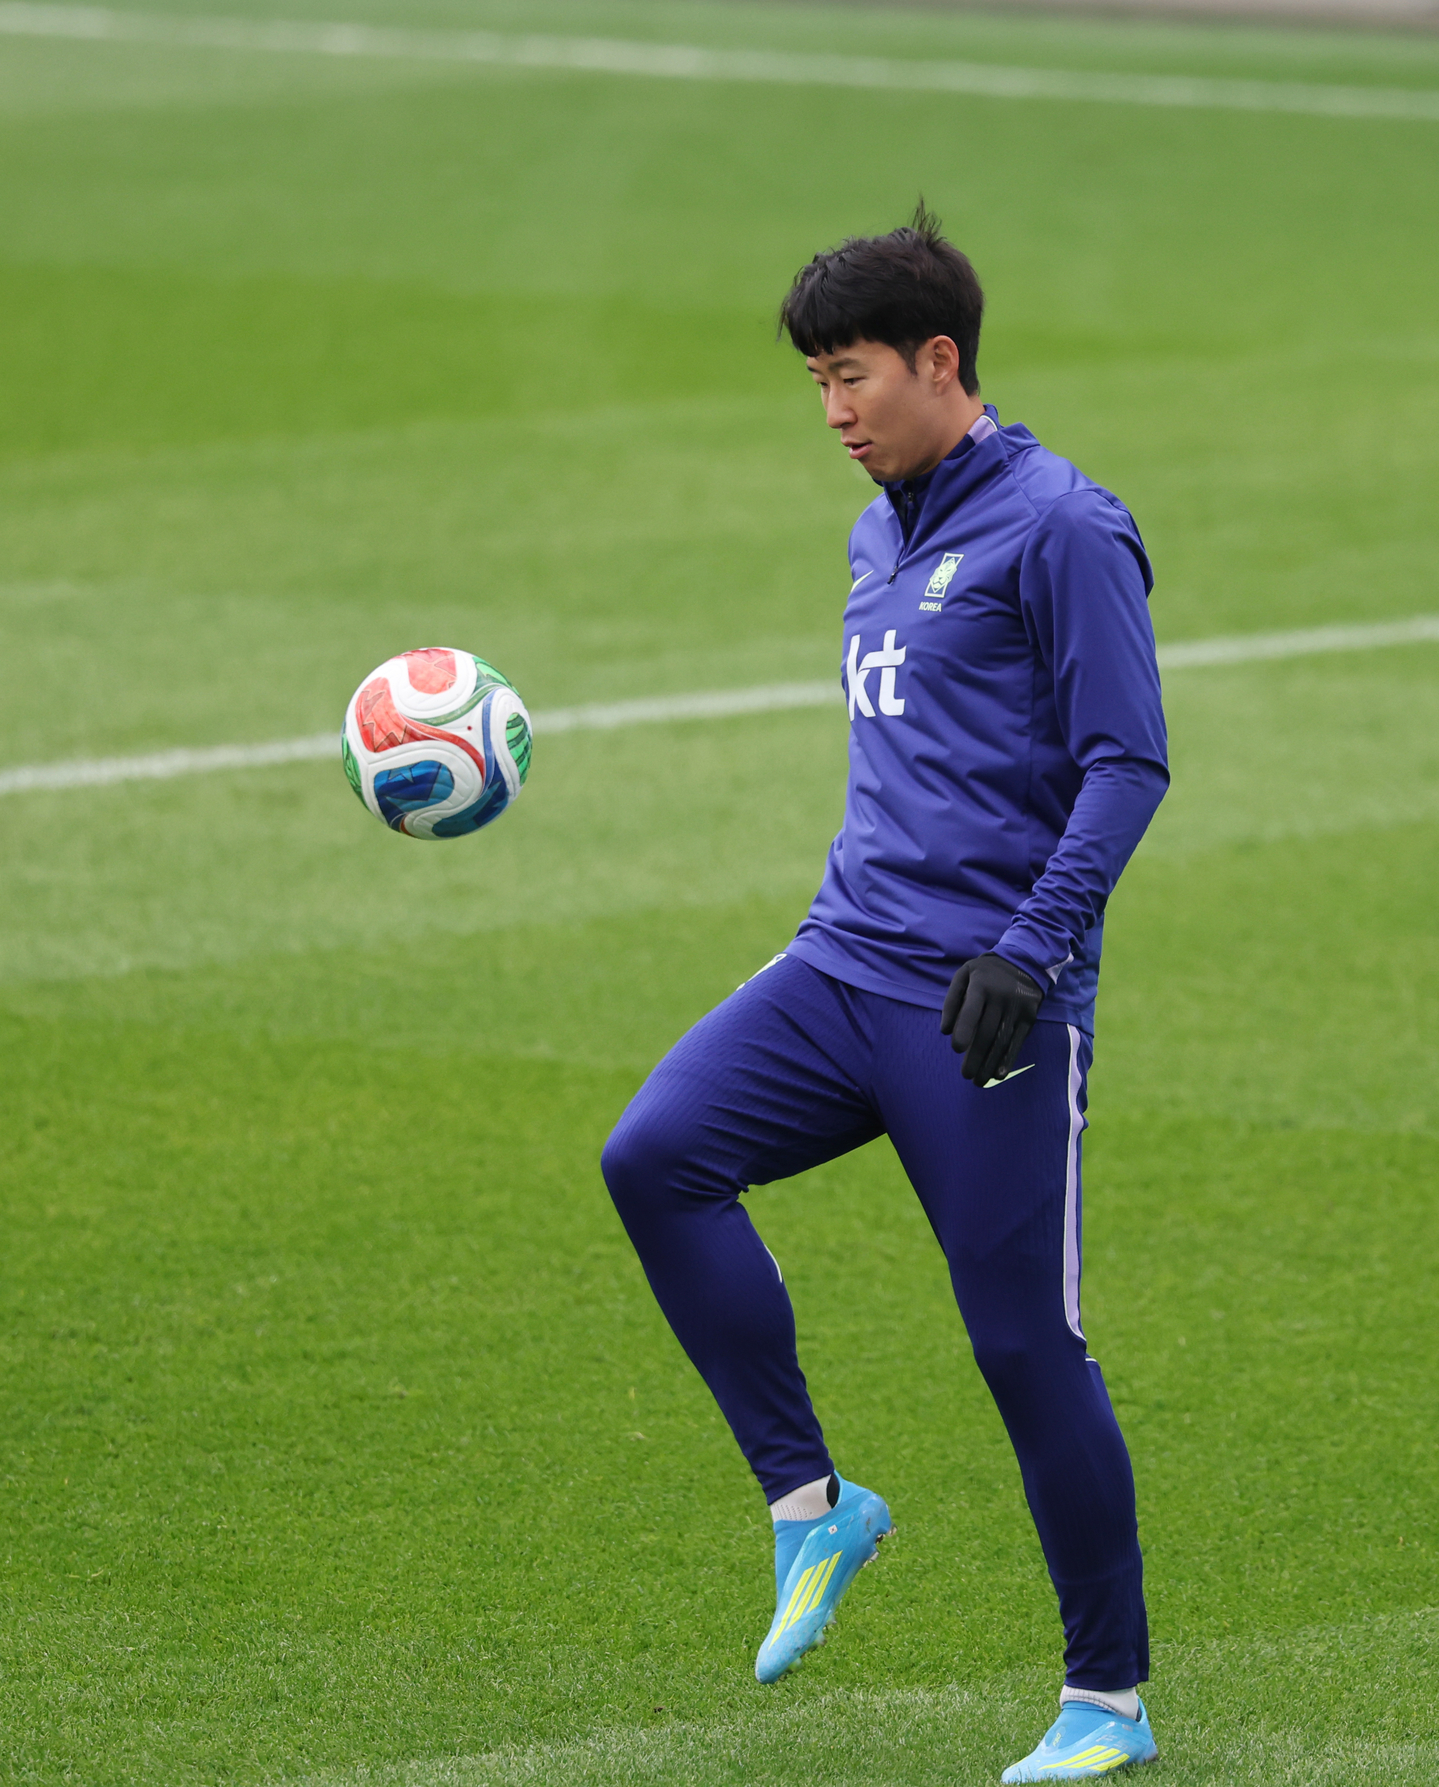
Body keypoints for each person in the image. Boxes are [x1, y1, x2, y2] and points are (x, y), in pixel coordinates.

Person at [600, 204, 1169, 1782]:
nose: (833, 411)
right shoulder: (878, 529)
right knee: (655, 1157)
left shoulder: (1064, 528)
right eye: (813, 383)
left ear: (941, 361)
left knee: (1021, 1346)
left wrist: (1033, 947)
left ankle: (1106, 1699)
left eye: (850, 374)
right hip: (840, 964)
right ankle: (813, 1505)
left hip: (986, 1007)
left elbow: (1131, 763)